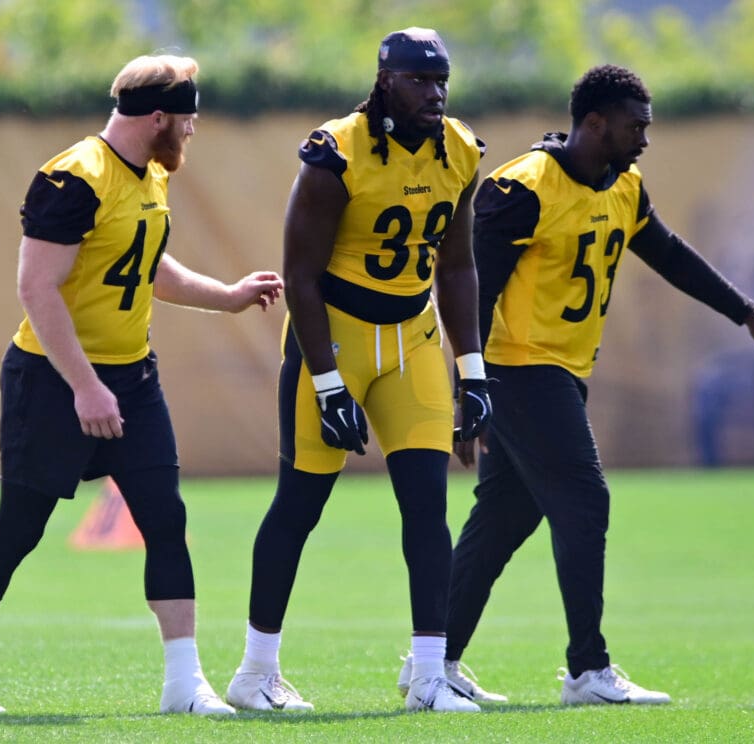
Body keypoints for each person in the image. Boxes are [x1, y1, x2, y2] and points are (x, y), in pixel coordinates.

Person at [397, 64, 754, 705]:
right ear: (594, 124)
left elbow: (669, 253)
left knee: (504, 518)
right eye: (635, 127)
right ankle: (587, 670)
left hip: (562, 371)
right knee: (585, 500)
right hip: (518, 370)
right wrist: (468, 390)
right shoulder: (524, 187)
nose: (645, 140)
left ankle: (434, 660)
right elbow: (469, 293)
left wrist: (749, 314)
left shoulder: (623, 183)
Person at [0, 54, 283, 717]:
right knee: (20, 529)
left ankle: (184, 683)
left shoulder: (147, 172)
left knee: (165, 520)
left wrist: (226, 297)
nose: (193, 132)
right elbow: (37, 288)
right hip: (55, 380)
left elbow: (147, 264)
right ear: (157, 118)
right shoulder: (75, 177)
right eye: (188, 121)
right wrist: (86, 387)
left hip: (132, 378)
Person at [225, 28, 490, 714]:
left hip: (413, 338)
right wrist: (328, 381)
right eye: (418, 82)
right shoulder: (336, 152)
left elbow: (458, 266)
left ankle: (429, 676)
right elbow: (300, 276)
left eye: (441, 83)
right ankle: (255, 672)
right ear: (384, 81)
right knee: (299, 506)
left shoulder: (460, 147)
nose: (433, 95)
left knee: (427, 507)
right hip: (334, 337)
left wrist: (474, 368)